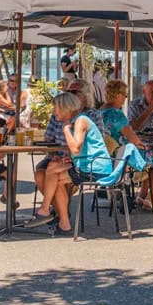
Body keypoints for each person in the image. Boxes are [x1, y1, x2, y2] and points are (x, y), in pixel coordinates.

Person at [23, 92, 111, 232]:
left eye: (55, 107)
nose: (53, 111)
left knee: (52, 169)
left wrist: (66, 131)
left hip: (95, 168)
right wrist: (70, 158)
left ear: (65, 107)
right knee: (53, 172)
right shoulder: (77, 120)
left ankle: (46, 210)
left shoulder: (81, 121)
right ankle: (62, 221)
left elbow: (76, 148)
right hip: (87, 164)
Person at [31, 79, 106, 209]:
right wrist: (53, 153)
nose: (70, 94)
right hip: (57, 155)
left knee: (56, 175)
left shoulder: (90, 116)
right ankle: (58, 213)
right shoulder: (57, 115)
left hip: (81, 160)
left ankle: (53, 213)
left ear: (85, 96)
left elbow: (91, 144)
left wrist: (70, 155)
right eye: (68, 91)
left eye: (74, 91)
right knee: (40, 173)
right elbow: (48, 139)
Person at [100, 80, 153, 212]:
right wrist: (141, 144)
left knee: (152, 154)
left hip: (106, 157)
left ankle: (142, 196)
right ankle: (151, 199)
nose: (125, 98)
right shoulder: (116, 114)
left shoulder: (99, 112)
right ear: (117, 95)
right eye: (124, 95)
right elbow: (131, 136)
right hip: (123, 157)